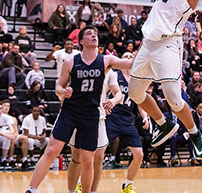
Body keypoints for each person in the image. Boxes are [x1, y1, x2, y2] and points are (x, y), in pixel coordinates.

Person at [127, 0, 202, 162]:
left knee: (173, 98)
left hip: (169, 45)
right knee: (135, 93)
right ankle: (162, 124)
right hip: (148, 44)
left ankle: (195, 134)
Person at [25, 26, 134, 193]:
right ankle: (32, 189)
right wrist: (63, 91)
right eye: (89, 34)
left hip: (91, 114)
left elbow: (131, 63)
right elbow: (58, 87)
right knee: (52, 150)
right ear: (81, 41)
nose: (94, 36)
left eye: (95, 34)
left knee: (87, 160)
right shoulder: (71, 62)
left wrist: (147, 44)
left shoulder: (106, 60)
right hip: (70, 110)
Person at [66, 59, 123, 193]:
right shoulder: (76, 65)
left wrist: (113, 101)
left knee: (98, 159)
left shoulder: (110, 72)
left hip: (98, 118)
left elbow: (118, 94)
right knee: (77, 157)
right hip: (78, 115)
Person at [104, 52, 147, 192]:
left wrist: (145, 116)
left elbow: (140, 101)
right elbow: (104, 91)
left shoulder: (136, 79)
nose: (128, 58)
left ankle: (128, 185)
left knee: (139, 154)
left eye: (130, 56)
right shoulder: (115, 74)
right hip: (112, 116)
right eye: (126, 56)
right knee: (97, 151)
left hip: (128, 120)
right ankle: (82, 182)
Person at [1, 100, 29, 170]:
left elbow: (16, 131)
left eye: (8, 106)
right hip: (3, 136)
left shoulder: (13, 118)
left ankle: (25, 160)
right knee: (11, 138)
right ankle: (11, 159)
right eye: (5, 106)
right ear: (1, 107)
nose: (6, 107)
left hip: (12, 135)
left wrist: (15, 135)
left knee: (24, 138)